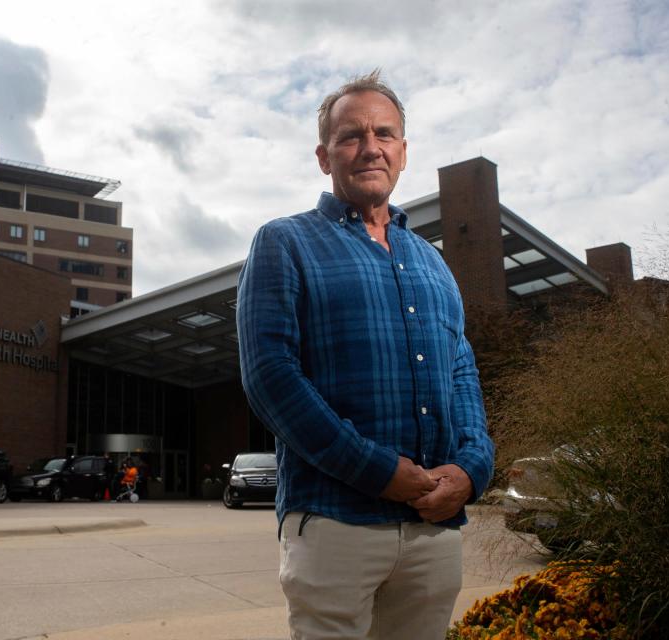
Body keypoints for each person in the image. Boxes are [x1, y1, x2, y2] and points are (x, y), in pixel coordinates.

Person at [236, 70, 495, 640]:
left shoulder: (432, 260)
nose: (370, 147)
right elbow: (270, 378)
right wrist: (380, 473)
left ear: (403, 152)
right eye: (351, 136)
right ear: (324, 157)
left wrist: (472, 469)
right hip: (334, 522)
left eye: (384, 133)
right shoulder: (284, 241)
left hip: (434, 526)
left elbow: (461, 370)